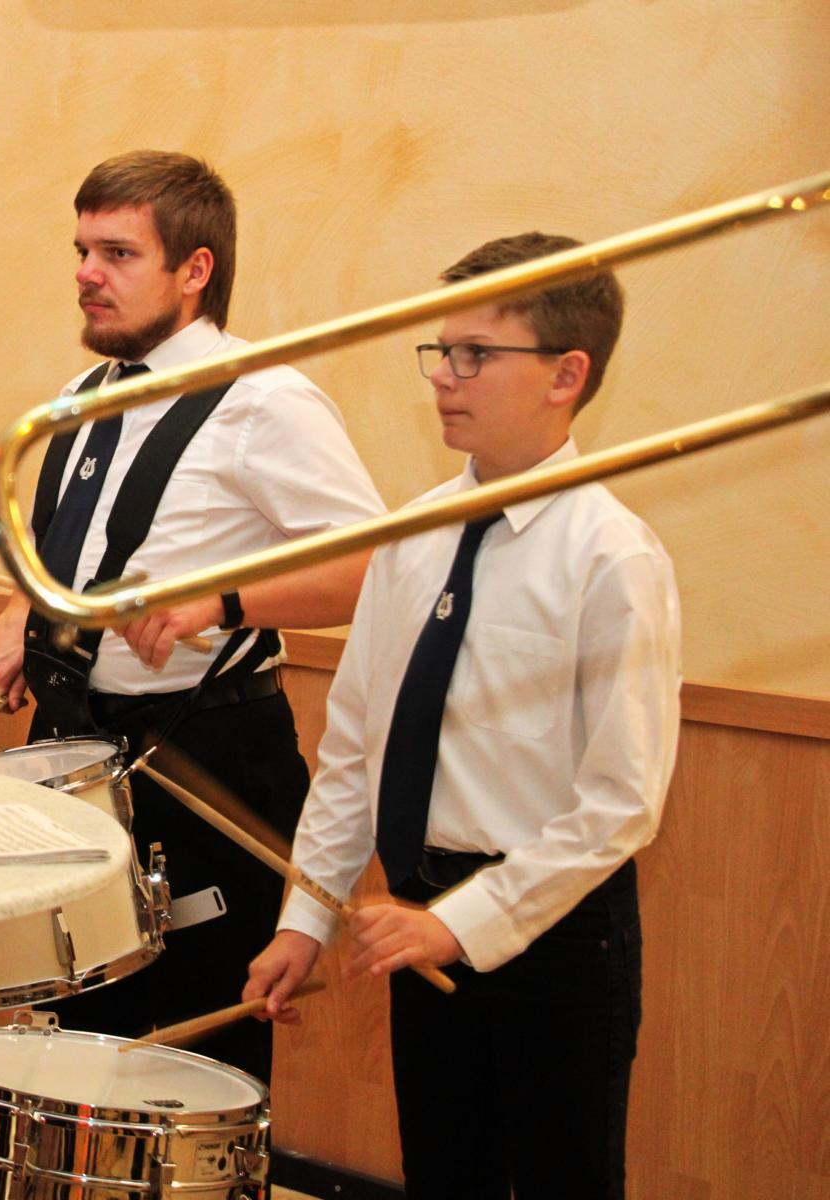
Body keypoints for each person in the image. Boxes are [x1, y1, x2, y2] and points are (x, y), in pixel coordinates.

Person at [243, 233, 680, 1199]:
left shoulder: (612, 558)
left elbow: (621, 804)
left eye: (475, 354)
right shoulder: (412, 537)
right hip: (416, 915)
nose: (443, 375)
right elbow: (354, 752)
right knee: (444, 1176)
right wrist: (305, 921)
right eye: (440, 351)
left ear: (567, 375)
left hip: (556, 933)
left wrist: (465, 924)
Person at [0, 150, 383, 1081]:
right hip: (76, 756)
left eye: (117, 254)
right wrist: (15, 620)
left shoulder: (265, 400)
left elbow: (374, 567)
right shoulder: (81, 399)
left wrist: (224, 602)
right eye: (82, 251)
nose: (87, 274)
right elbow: (59, 554)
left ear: (196, 269)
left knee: (195, 1073)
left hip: (205, 760)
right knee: (75, 1056)